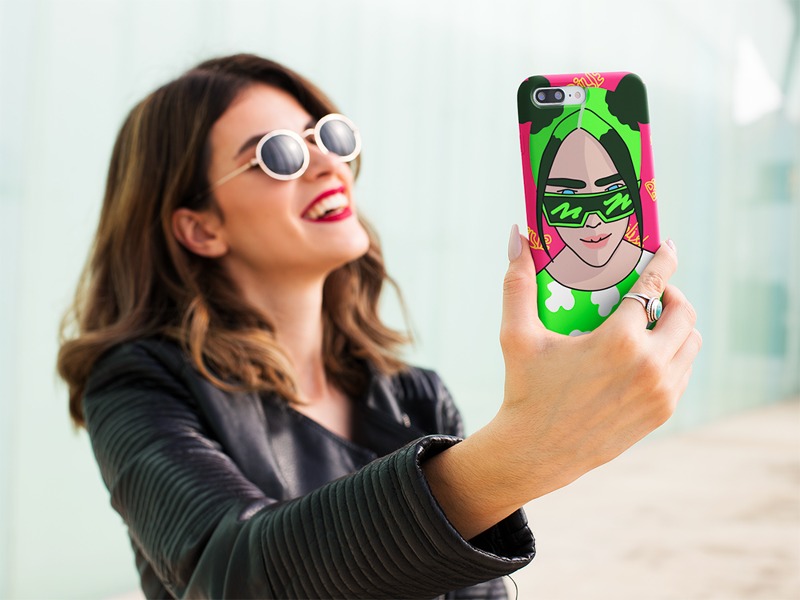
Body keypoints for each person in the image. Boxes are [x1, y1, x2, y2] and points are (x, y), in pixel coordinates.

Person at [57, 53, 701, 599]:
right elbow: (232, 571)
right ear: (200, 228)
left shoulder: (415, 396)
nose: (326, 165)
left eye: (328, 137)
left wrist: (522, 452)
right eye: (278, 155)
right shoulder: (137, 384)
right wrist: (521, 452)